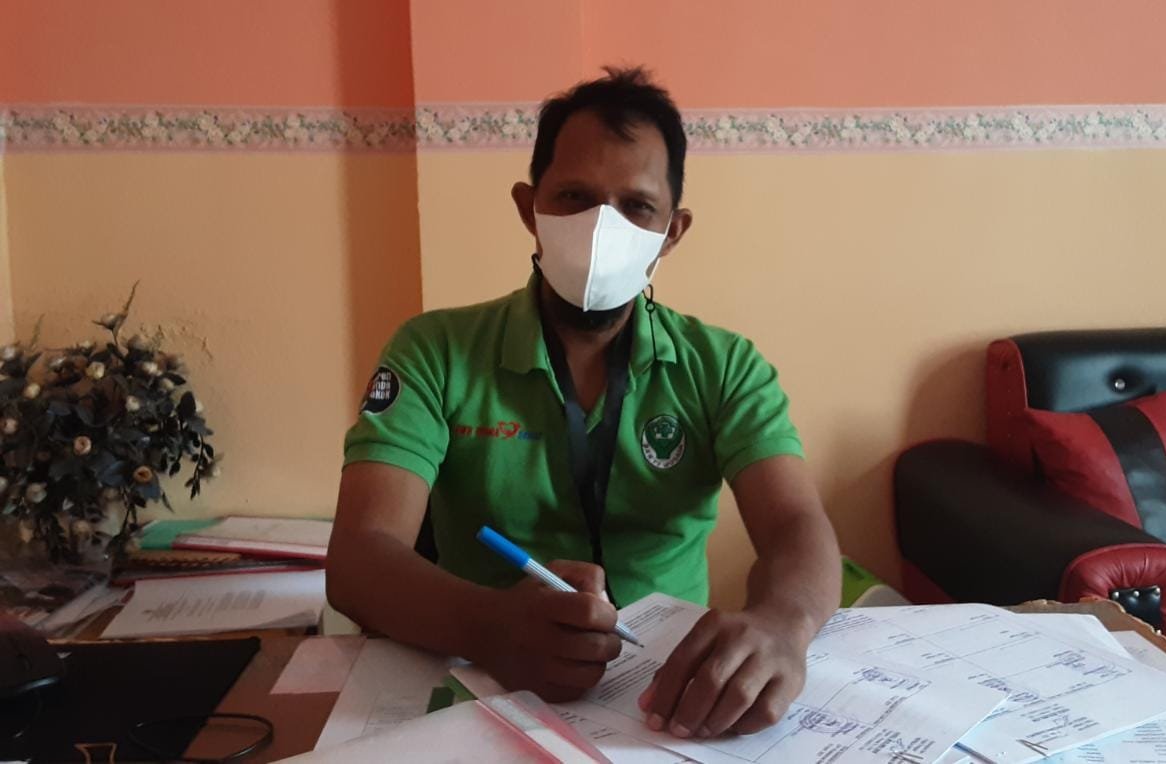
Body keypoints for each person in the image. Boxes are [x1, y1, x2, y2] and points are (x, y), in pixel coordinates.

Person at [328, 67, 840, 740]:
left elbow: (797, 524)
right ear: (529, 208)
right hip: (478, 689)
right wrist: (489, 626)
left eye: (637, 207)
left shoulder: (724, 366)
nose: (603, 228)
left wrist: (784, 624)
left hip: (668, 705)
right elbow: (359, 558)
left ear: (673, 231)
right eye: (574, 197)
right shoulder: (435, 351)